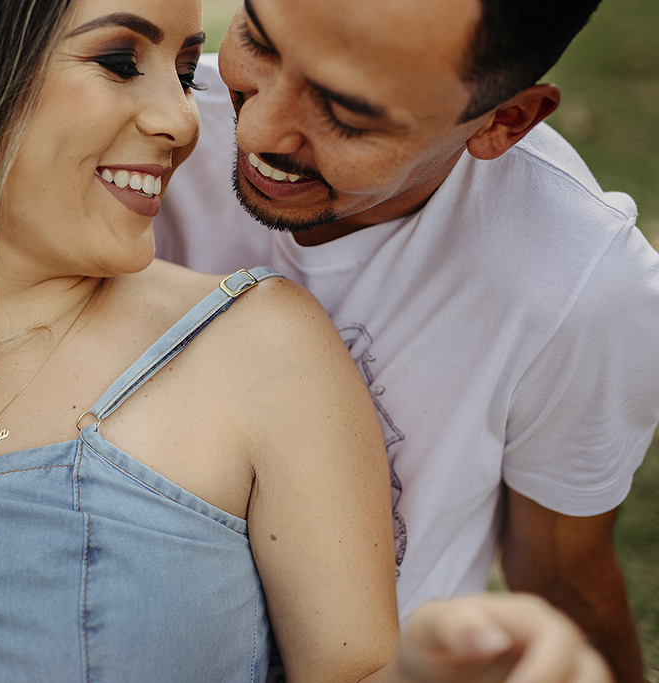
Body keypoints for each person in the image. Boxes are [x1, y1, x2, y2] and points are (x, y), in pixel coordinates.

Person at [0, 0, 614, 681]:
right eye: (126, 61)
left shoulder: (265, 349)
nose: (190, 120)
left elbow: (370, 663)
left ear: (501, 122)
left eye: (182, 63)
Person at [153, 0, 659, 681]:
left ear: (503, 122)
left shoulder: (582, 287)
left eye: (347, 115)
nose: (260, 128)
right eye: (260, 42)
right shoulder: (148, 130)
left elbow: (564, 574)